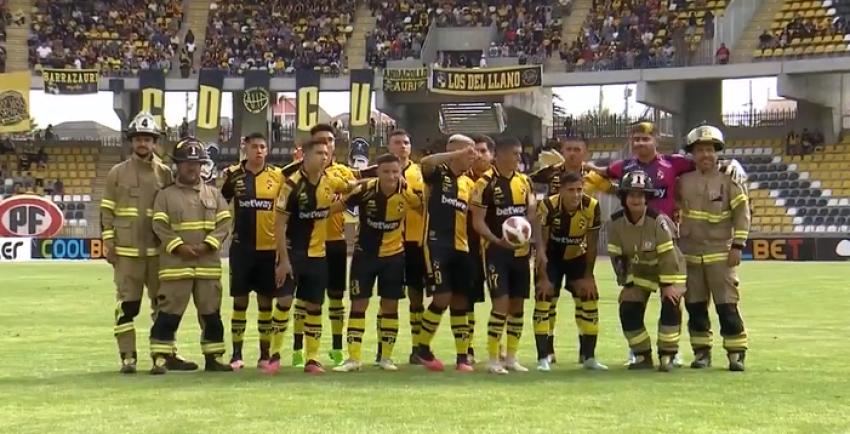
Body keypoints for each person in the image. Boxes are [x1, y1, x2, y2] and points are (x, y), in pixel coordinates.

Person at [100, 111, 184, 374]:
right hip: (126, 253)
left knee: (163, 305)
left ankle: (162, 356)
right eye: (138, 138)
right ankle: (128, 357)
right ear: (131, 141)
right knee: (128, 305)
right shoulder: (117, 173)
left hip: (158, 252)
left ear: (155, 142)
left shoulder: (166, 173)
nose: (143, 144)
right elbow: (106, 210)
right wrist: (108, 242)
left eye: (148, 139)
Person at [271, 138, 362, 374]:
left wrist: (361, 188)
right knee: (284, 302)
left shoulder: (331, 182)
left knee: (314, 305)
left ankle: (312, 359)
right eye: (319, 153)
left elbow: (351, 188)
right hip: (293, 252)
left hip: (318, 255)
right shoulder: (291, 185)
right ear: (305, 156)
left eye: (327, 152)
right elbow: (279, 225)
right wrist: (283, 260)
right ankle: (274, 356)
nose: (324, 156)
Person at [149, 138, 233, 374]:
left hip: (207, 266)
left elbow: (224, 222)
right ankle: (161, 358)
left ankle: (214, 357)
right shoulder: (164, 196)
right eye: (186, 162)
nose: (191, 167)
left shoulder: (214, 194)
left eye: (196, 163)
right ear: (177, 165)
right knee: (168, 314)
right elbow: (159, 226)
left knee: (211, 315)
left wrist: (209, 244)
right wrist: (178, 246)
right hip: (176, 265)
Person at [333, 153, 421, 372]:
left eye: (395, 172)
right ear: (378, 173)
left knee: (389, 306)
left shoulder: (407, 194)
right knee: (359, 305)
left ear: (400, 172)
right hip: (365, 257)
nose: (391, 176)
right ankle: (353, 359)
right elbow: (336, 208)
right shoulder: (364, 191)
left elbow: (423, 209)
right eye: (386, 172)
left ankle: (386, 358)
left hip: (394, 257)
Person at [529, 135, 612, 365]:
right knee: (546, 297)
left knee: (587, 297)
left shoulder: (593, 179)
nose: (573, 153)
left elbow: (616, 189)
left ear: (585, 152)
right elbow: (524, 182)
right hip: (552, 249)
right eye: (569, 149)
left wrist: (589, 274)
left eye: (578, 149)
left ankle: (588, 356)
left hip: (578, 247)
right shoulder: (549, 173)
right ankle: (546, 354)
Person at [677, 125, 749, 371]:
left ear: (717, 151)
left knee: (726, 305)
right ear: (692, 154)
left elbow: (742, 214)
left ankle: (736, 353)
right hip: (690, 254)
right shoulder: (683, 181)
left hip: (720, 253)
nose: (705, 155)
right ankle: (701, 353)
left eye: (709, 149)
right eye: (700, 150)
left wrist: (738, 245)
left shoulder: (731, 178)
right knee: (695, 306)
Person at [607, 171, 687, 372]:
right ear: (624, 197)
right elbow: (617, 257)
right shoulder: (615, 223)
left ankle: (668, 355)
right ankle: (642, 355)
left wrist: (669, 285)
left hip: (669, 268)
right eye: (631, 195)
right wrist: (627, 283)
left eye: (641, 195)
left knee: (671, 303)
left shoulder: (658, 221)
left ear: (647, 198)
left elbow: (668, 255)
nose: (636, 199)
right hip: (640, 271)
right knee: (628, 308)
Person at [470, 137, 536, 374]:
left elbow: (530, 213)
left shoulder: (525, 182)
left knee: (517, 305)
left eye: (520, 154)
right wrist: (497, 239)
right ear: (501, 156)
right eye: (515, 154)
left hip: (521, 253)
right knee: (501, 304)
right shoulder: (484, 184)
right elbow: (477, 221)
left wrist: (528, 232)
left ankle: (512, 357)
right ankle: (492, 358)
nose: (519, 158)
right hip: (496, 252)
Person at [219, 133, 285, 370]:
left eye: (263, 147)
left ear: (267, 151)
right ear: (245, 148)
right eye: (254, 146)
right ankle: (236, 354)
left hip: (268, 250)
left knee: (266, 303)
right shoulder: (232, 175)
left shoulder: (277, 176)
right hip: (242, 249)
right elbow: (219, 204)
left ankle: (264, 354)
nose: (258, 150)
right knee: (240, 302)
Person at [415, 134, 477, 372]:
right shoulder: (438, 174)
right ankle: (422, 347)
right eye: (468, 152)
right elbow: (426, 163)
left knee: (461, 299)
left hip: (462, 247)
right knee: (442, 297)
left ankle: (462, 357)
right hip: (437, 244)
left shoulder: (468, 183)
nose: (472, 157)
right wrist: (455, 154)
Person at [378, 130, 426, 365]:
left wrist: (405, 190)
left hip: (415, 241)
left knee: (417, 297)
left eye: (406, 142)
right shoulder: (379, 174)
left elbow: (423, 206)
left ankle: (417, 347)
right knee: (388, 299)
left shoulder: (420, 173)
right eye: (397, 142)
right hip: (388, 243)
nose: (402, 146)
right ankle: (382, 350)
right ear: (389, 146)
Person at [465, 134, 495, 363]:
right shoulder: (460, 180)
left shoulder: (500, 181)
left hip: (496, 248)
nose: (478, 155)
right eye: (473, 150)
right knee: (468, 300)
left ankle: (497, 348)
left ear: (492, 154)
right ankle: (468, 347)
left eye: (483, 150)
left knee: (501, 299)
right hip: (469, 248)